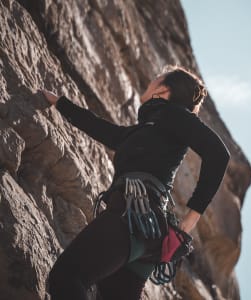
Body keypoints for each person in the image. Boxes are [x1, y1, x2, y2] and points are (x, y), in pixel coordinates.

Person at [41, 65, 230, 300]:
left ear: (162, 89)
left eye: (155, 79)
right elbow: (103, 130)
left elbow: (219, 154)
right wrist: (60, 103)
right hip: (146, 234)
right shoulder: (147, 129)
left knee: (67, 276)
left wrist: (192, 217)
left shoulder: (173, 114)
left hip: (132, 217)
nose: (149, 82)